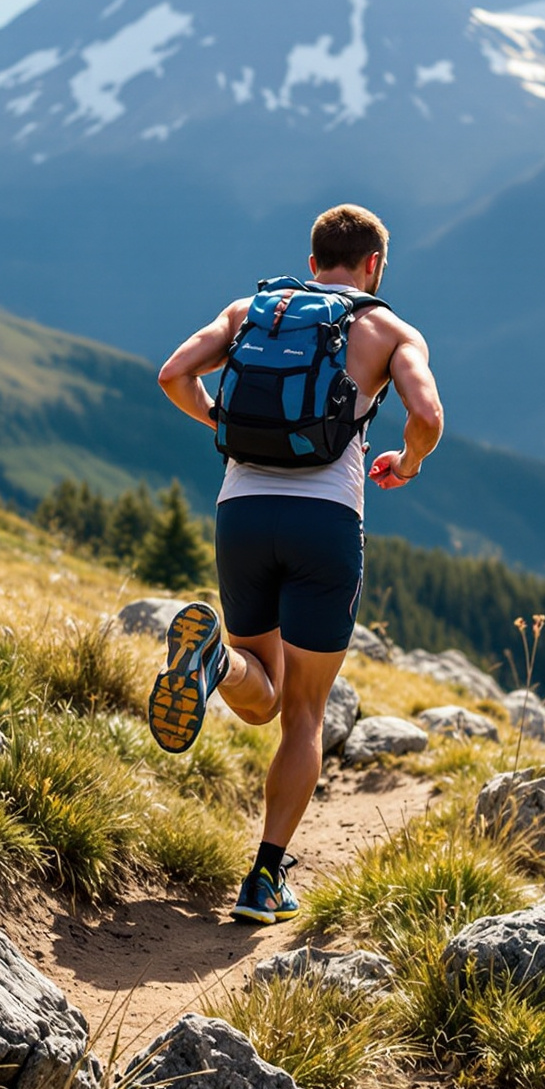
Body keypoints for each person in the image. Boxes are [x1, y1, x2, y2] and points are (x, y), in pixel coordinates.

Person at [147, 204, 444, 923]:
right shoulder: (387, 328)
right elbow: (427, 416)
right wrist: (407, 461)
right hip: (325, 524)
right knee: (304, 713)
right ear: (374, 265)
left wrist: (222, 420)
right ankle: (264, 879)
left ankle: (216, 662)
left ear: (313, 262)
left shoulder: (252, 310)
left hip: (241, 515)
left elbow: (172, 375)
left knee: (262, 690)